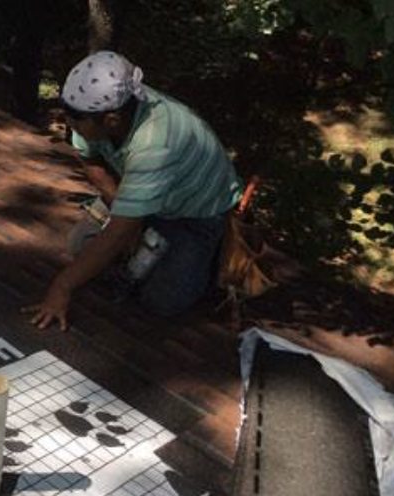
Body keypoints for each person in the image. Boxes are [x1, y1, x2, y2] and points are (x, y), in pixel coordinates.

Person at [23, 51, 242, 330]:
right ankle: (143, 231)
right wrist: (120, 206)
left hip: (195, 212)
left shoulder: (155, 144)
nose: (69, 123)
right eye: (67, 112)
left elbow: (118, 231)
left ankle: (208, 258)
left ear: (112, 120)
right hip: (145, 190)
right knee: (81, 245)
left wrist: (61, 287)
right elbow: (90, 159)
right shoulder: (90, 109)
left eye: (75, 119)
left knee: (162, 301)